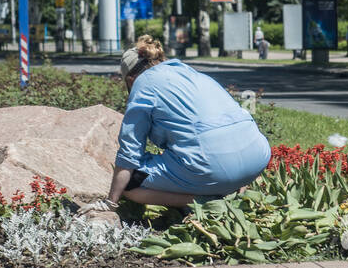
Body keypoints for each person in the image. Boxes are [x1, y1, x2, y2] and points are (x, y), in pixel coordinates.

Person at [86, 35, 272, 217]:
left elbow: (130, 153)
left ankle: (207, 200)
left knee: (130, 185)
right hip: (257, 157)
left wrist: (110, 202)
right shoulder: (189, 73)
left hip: (213, 166)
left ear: (130, 79)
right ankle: (231, 190)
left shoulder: (142, 85)